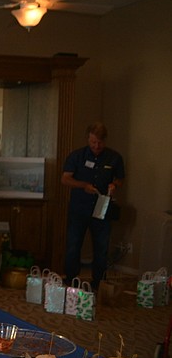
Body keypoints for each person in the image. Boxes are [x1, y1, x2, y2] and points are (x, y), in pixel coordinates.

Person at [62, 122, 125, 288]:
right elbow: (65, 179)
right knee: (74, 244)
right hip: (79, 207)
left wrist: (114, 185)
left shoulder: (114, 157)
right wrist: (84, 185)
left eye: (100, 142)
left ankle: (98, 282)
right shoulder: (77, 156)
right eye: (93, 142)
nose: (97, 146)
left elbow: (120, 179)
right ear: (88, 139)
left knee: (101, 246)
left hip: (102, 207)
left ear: (105, 140)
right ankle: (71, 278)